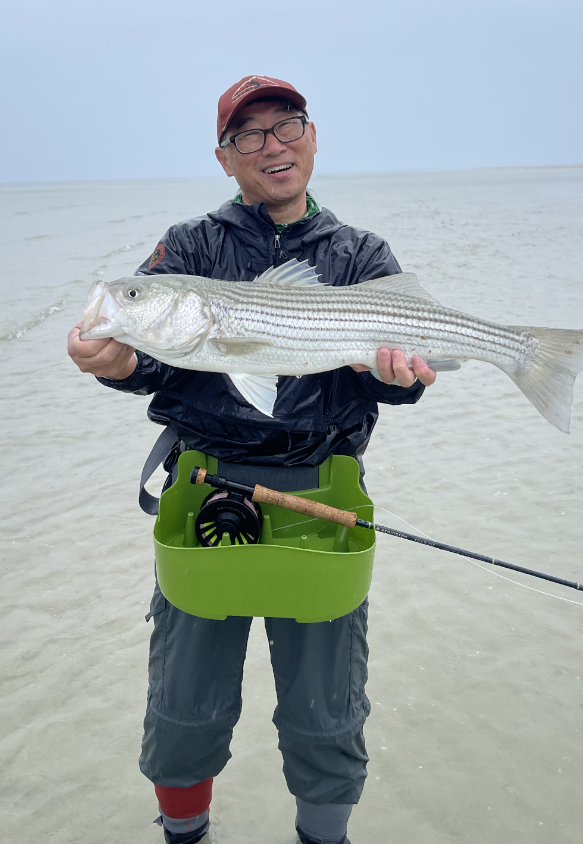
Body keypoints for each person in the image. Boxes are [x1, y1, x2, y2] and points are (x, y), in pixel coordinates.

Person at [68, 76, 436, 844]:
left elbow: (397, 389)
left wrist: (401, 377)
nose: (274, 146)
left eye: (287, 125)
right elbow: (157, 362)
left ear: (312, 135)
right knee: (183, 703)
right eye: (250, 136)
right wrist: (116, 362)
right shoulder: (193, 247)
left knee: (326, 711)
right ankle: (185, 835)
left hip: (323, 487)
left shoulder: (359, 254)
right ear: (224, 159)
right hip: (206, 486)